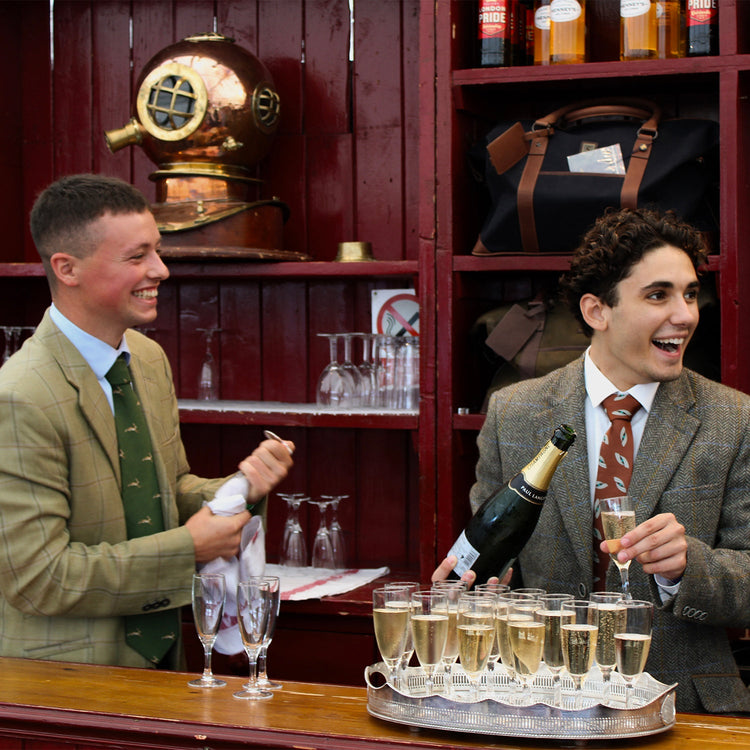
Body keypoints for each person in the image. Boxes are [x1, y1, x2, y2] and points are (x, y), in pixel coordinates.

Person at [434, 207, 750, 713]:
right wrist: (475, 587)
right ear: (596, 311)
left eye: (690, 293)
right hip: (537, 701)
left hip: (682, 708)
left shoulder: (734, 419)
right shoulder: (513, 413)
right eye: (658, 295)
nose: (686, 314)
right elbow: (492, 558)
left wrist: (687, 567)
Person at [0, 174, 294, 670]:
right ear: (66, 268)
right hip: (66, 689)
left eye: (156, 251)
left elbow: (165, 489)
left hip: (167, 664)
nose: (160, 270)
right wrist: (189, 548)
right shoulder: (19, 396)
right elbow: (40, 577)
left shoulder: (147, 358)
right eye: (137, 257)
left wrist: (238, 488)